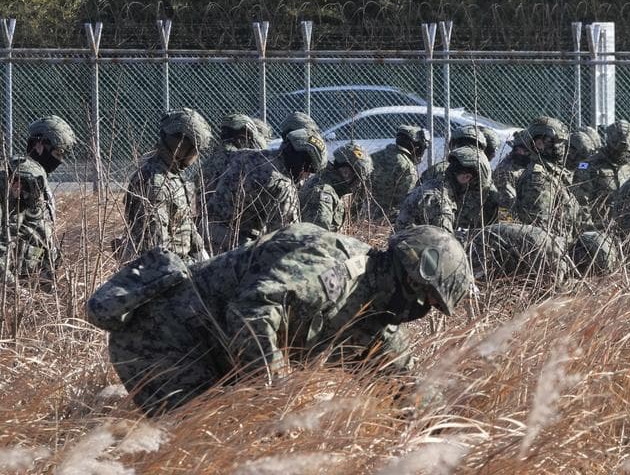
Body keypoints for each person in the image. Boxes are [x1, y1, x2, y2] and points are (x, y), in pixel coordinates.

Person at [86, 223, 473, 416]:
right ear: (408, 276)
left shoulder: (375, 317)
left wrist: (448, 434)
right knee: (197, 442)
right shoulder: (333, 268)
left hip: (213, 355)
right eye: (425, 298)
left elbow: (403, 385)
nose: (420, 309)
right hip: (162, 338)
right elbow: (252, 311)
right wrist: (276, 397)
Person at [206, 129, 326, 253]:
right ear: (300, 162)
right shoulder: (283, 186)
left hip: (205, 232)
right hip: (235, 251)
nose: (307, 176)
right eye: (309, 169)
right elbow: (287, 240)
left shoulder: (244, 155)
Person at [120, 108, 215, 263]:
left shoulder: (171, 174)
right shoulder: (155, 183)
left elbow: (184, 222)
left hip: (181, 262)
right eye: (195, 151)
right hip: (167, 270)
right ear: (182, 148)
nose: (196, 157)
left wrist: (202, 255)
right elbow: (156, 249)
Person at [2, 116, 77, 282]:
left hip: (31, 277)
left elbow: (36, 229)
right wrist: (12, 284)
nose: (59, 161)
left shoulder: (37, 176)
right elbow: (6, 234)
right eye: (57, 153)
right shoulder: (25, 176)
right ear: (39, 145)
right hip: (16, 279)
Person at [395, 146, 497, 233]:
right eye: (475, 186)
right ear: (466, 177)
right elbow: (444, 244)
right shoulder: (440, 203)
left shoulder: (435, 184)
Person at [512, 117, 582, 243]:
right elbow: (539, 230)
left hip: (564, 244)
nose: (561, 146)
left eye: (562, 142)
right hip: (552, 248)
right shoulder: (538, 178)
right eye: (555, 141)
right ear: (538, 144)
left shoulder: (557, 173)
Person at [573, 120, 630, 227]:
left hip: (625, 227)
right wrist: (590, 227)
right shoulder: (590, 165)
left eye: (625, 150)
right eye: (618, 149)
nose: (621, 153)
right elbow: (581, 202)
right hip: (598, 227)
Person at [300, 142, 374, 232]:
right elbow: (317, 236)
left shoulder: (328, 183)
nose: (358, 184)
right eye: (358, 178)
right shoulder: (323, 193)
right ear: (346, 172)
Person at [365, 125, 429, 223]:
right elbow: (406, 203)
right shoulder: (407, 168)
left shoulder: (375, 156)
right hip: (386, 221)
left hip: (363, 216)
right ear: (415, 147)